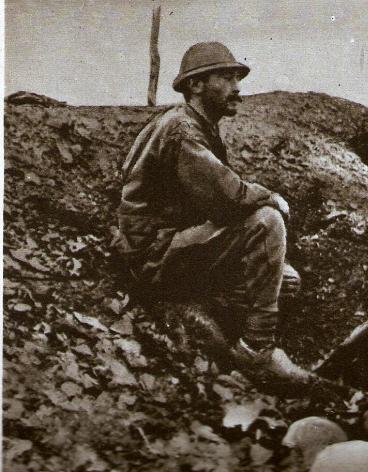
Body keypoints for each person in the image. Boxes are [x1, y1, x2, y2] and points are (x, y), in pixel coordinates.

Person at [113, 42, 309, 381]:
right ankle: (256, 351)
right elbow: (229, 200)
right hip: (154, 255)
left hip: (172, 246)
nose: (237, 88)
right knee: (266, 222)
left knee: (286, 281)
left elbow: (218, 205)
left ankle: (211, 321)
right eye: (226, 78)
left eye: (237, 78)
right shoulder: (182, 130)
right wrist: (271, 196)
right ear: (196, 85)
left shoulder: (198, 126)